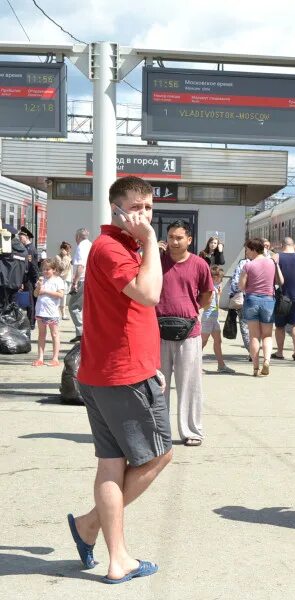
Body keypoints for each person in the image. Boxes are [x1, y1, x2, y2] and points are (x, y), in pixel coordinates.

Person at [70, 176, 171, 584]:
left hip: (110, 370)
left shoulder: (115, 247)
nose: (144, 216)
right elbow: (149, 295)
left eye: (148, 208)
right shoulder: (113, 248)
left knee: (111, 465)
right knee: (158, 455)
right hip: (123, 375)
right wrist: (150, 243)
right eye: (136, 207)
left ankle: (115, 556)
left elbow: (127, 314)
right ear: (117, 209)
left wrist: (151, 362)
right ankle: (91, 526)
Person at [156, 220, 214, 447]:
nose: (174, 241)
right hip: (157, 331)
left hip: (188, 332)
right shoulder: (157, 262)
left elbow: (207, 295)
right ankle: (159, 431)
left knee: (190, 384)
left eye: (179, 237)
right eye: (171, 237)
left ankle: (191, 431)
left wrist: (190, 311)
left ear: (189, 240)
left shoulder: (200, 264)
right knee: (157, 384)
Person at [239, 237, 282, 376]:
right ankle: (267, 361)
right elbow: (280, 281)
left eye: (247, 250)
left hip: (251, 300)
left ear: (253, 249)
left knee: (253, 336)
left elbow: (241, 286)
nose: (246, 253)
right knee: (267, 335)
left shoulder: (248, 265)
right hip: (268, 301)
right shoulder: (271, 263)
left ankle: (255, 368)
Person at [272, 237, 295, 361]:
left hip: (282, 297)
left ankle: (280, 352)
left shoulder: (276, 257)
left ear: (282, 245)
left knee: (280, 326)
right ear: (294, 245)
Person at [32, 256, 65, 366]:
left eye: (48, 269)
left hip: (52, 313)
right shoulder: (41, 280)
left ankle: (55, 358)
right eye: (44, 269)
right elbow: (35, 294)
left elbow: (60, 294)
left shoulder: (58, 280)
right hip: (40, 311)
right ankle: (40, 358)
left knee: (54, 334)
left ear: (54, 270)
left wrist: (46, 291)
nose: (45, 271)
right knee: (41, 334)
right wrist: (39, 287)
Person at [201, 266, 235, 374]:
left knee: (218, 341)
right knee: (202, 342)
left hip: (214, 317)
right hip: (208, 317)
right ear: (215, 277)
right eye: (220, 277)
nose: (222, 279)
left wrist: (219, 295)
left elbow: (216, 304)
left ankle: (221, 365)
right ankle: (194, 365)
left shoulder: (216, 286)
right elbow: (206, 302)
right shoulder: (209, 286)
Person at [69, 227, 92, 342]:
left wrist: (75, 282)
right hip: (90, 280)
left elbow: (81, 266)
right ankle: (84, 333)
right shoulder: (90, 245)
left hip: (82, 279)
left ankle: (81, 333)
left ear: (78, 237)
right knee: (84, 308)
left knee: (74, 307)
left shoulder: (81, 247)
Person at [228, 250, 252, 355]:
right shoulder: (268, 262)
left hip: (244, 298)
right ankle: (255, 350)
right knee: (259, 326)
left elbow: (235, 281)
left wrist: (233, 293)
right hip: (263, 299)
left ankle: (252, 351)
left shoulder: (243, 263)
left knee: (245, 325)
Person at [17, 226, 39, 328]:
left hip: (30, 279)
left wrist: (35, 280)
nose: (20, 237)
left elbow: (33, 266)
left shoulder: (30, 249)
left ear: (27, 237)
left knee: (30, 301)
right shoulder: (25, 248)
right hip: (26, 278)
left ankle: (31, 323)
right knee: (28, 300)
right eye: (19, 235)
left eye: (21, 235)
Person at [57, 242, 73, 319]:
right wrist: (65, 257)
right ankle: (62, 314)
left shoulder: (68, 256)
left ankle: (63, 313)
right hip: (62, 278)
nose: (69, 251)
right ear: (63, 249)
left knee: (65, 296)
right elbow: (61, 267)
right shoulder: (58, 257)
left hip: (68, 278)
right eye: (68, 250)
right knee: (62, 296)